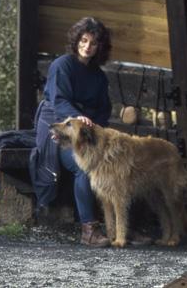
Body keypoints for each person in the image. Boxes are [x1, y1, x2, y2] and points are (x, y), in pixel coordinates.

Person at [30, 16, 131, 247]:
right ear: (76, 41)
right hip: (58, 128)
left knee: (116, 165)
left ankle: (119, 228)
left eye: (93, 43)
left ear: (100, 47)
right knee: (84, 168)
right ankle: (89, 229)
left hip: (86, 133)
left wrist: (92, 127)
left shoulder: (98, 75)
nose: (87, 47)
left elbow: (103, 110)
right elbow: (58, 100)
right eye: (83, 40)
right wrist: (77, 118)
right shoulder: (62, 65)